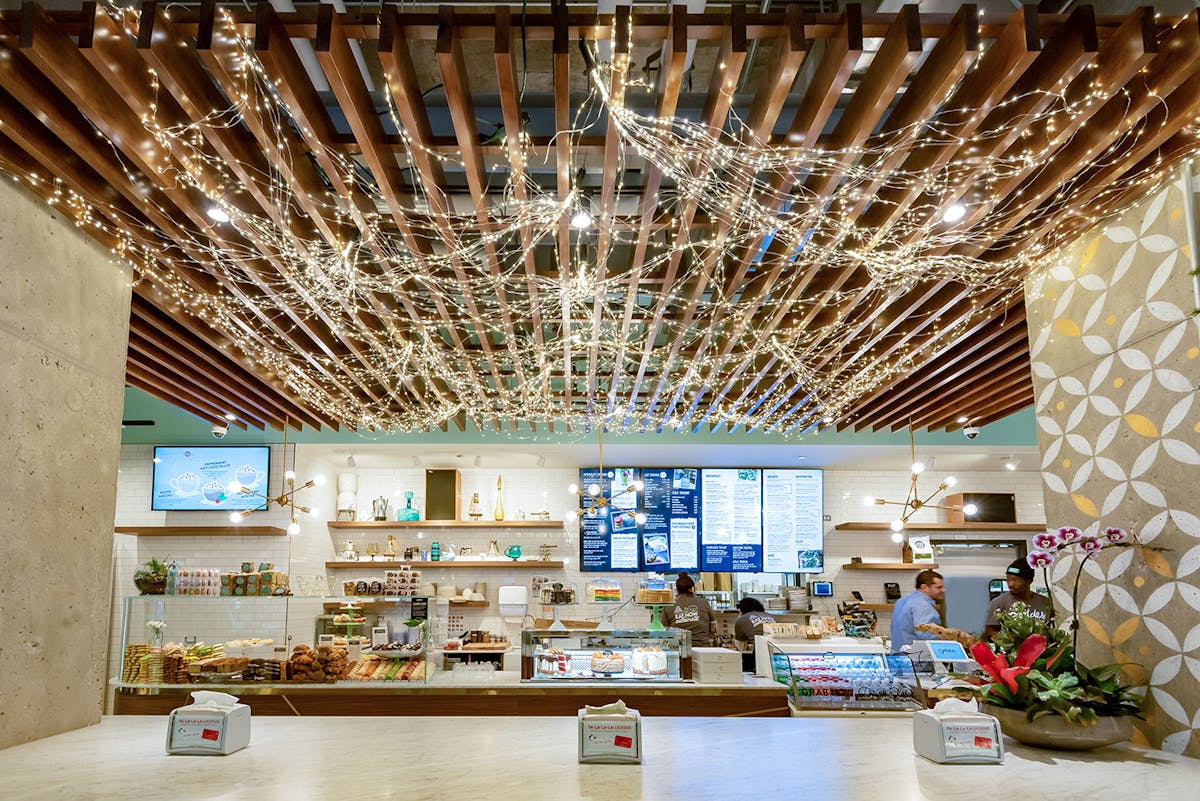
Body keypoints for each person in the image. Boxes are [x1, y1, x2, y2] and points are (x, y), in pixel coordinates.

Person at [983, 557, 1054, 642]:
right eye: (1008, 579)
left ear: (1029, 581)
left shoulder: (1044, 602)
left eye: (1016, 580)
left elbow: (1049, 628)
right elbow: (989, 632)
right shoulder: (999, 602)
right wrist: (1009, 641)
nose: (1010, 584)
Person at [889, 569, 945, 654]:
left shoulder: (901, 601)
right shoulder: (923, 605)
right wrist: (949, 639)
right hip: (917, 658)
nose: (943, 590)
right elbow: (926, 634)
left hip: (898, 656)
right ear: (924, 587)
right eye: (939, 587)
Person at [661, 573, 716, 647]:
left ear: (677, 590)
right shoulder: (704, 602)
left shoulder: (669, 605)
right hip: (702, 647)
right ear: (692, 589)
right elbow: (714, 627)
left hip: (679, 648)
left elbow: (666, 629)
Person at [732, 597, 774, 672]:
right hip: (779, 651)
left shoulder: (742, 619)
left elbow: (741, 648)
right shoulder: (771, 616)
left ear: (741, 610)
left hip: (761, 654)